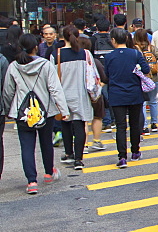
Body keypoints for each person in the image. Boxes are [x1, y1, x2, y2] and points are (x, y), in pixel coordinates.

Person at [2, 33, 69, 193]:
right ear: (36, 47)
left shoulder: (13, 66)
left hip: (22, 112)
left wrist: (7, 110)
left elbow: (8, 91)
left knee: (26, 146)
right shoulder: (45, 65)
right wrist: (63, 110)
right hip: (46, 110)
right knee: (46, 143)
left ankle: (31, 182)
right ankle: (48, 172)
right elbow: (55, 89)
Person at [103, 27, 149, 169]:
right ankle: (135, 152)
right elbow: (146, 70)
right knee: (135, 124)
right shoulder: (135, 53)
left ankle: (122, 157)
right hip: (135, 93)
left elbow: (106, 76)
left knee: (121, 126)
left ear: (113, 40)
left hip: (117, 94)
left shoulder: (109, 57)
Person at [54, 26, 95, 170]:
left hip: (63, 95)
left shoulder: (56, 55)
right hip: (81, 94)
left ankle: (68, 153)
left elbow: (51, 78)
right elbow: (92, 76)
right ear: (78, 37)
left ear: (62, 37)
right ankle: (79, 159)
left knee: (65, 124)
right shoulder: (85, 54)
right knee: (79, 125)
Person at [133, 29, 158, 134]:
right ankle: (154, 124)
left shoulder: (135, 49)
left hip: (141, 79)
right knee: (153, 101)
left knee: (142, 103)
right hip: (154, 77)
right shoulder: (152, 48)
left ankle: (144, 126)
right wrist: (156, 67)